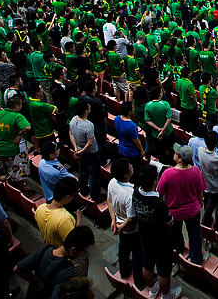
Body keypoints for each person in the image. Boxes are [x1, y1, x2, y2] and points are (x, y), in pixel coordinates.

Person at [134, 165, 181, 299]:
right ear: (155, 181)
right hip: (161, 241)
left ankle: (153, 290)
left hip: (144, 236)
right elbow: (169, 222)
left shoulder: (135, 192)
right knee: (163, 271)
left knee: (147, 264)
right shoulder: (159, 204)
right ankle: (166, 295)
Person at [157, 144, 206, 264]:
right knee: (194, 234)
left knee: (176, 233)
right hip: (193, 210)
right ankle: (196, 258)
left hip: (174, 212)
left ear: (180, 159)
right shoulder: (195, 171)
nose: (174, 153)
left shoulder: (168, 173)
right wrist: (199, 204)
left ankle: (178, 250)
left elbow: (159, 193)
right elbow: (200, 192)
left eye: (176, 153)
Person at [15, 226, 96, 299]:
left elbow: (18, 268)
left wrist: (36, 282)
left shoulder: (45, 250)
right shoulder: (67, 270)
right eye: (83, 251)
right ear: (73, 250)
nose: (82, 254)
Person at [107, 158, 144, 287]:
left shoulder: (112, 182)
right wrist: (121, 226)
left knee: (123, 251)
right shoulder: (130, 193)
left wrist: (114, 221)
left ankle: (124, 272)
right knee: (137, 255)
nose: (132, 166)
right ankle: (139, 281)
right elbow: (131, 217)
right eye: (130, 167)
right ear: (125, 174)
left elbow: (109, 201)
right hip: (132, 229)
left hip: (119, 225)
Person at [69, 98, 103, 202]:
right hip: (90, 153)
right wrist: (82, 151)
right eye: (88, 107)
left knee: (82, 171)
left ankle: (83, 190)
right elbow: (90, 142)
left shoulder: (73, 119)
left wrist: (76, 148)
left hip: (79, 150)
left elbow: (70, 134)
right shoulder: (89, 125)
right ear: (85, 110)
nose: (90, 108)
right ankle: (95, 196)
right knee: (93, 175)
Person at [113, 101, 145, 178]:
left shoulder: (117, 119)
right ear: (129, 112)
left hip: (121, 149)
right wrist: (142, 150)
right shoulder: (132, 126)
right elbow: (136, 141)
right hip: (132, 153)